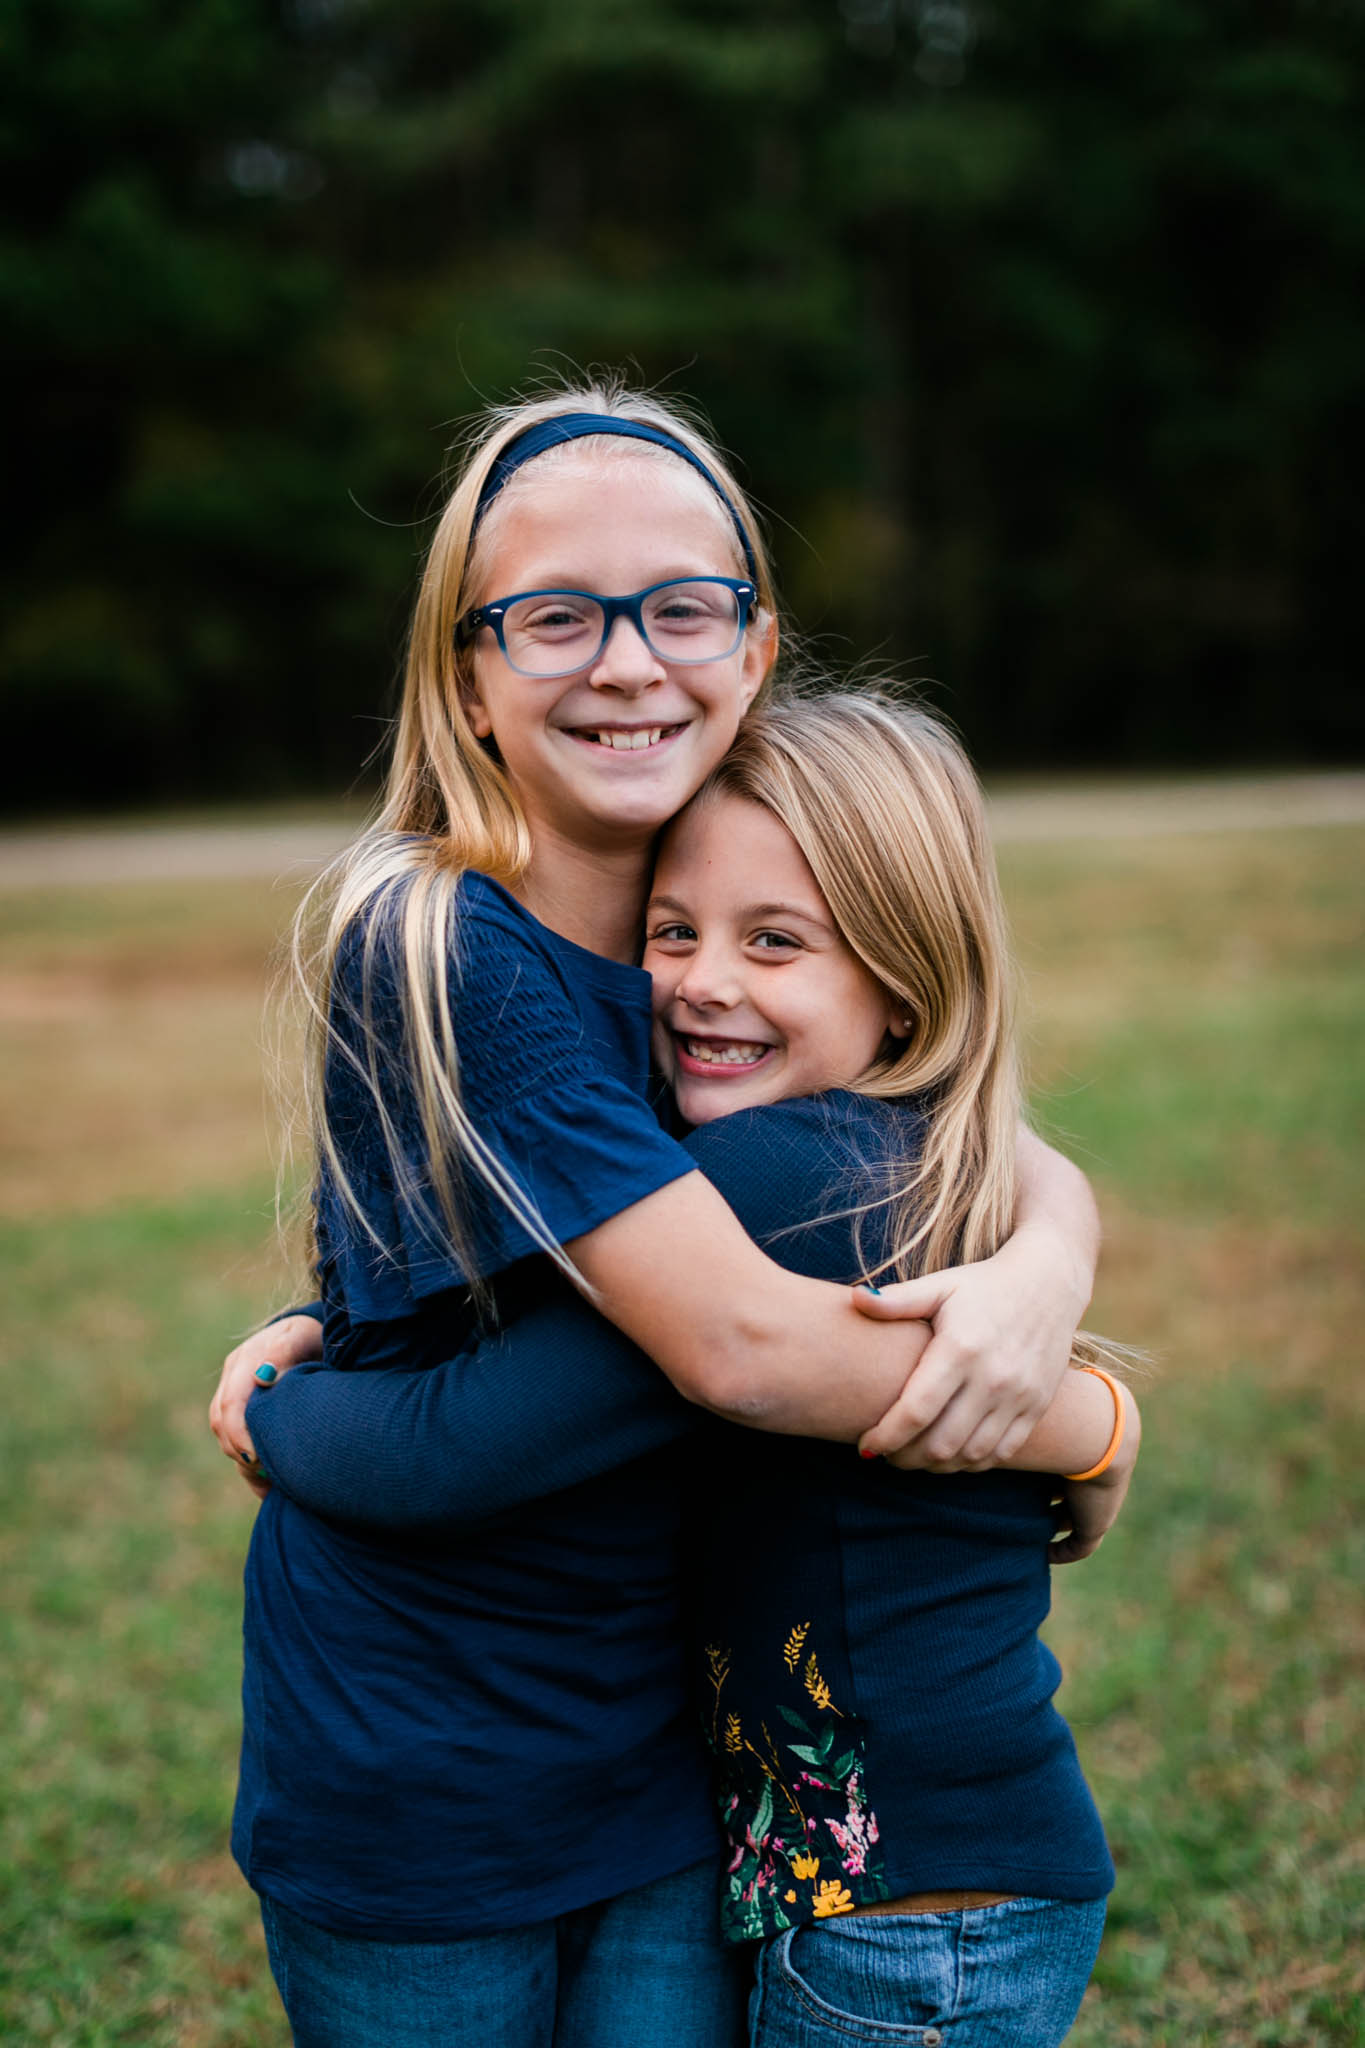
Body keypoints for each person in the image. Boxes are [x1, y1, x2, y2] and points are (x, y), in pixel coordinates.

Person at [209, 380, 1109, 2046]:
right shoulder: (438, 937)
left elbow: (912, 1128)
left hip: (660, 1759)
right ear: (465, 678)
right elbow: (739, 1338)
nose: (626, 661)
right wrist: (1081, 1419)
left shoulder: (706, 993)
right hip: (429, 1753)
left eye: (681, 607)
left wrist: (1052, 1240)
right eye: (552, 618)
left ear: (757, 649)